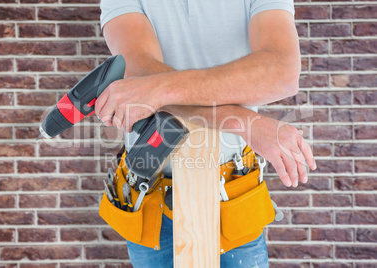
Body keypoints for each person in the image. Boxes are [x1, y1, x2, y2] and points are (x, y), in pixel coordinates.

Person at [96, 0, 317, 267]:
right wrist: (246, 122)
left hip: (231, 194)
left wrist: (157, 90)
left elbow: (282, 72)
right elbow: (141, 72)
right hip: (150, 197)